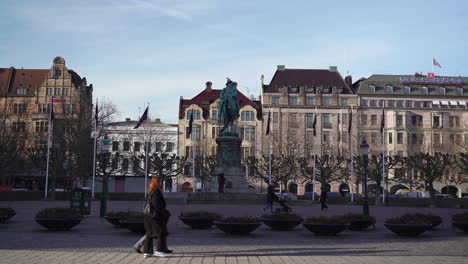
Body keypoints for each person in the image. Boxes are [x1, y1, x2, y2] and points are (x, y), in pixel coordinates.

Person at [142, 177, 172, 258]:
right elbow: (157, 206)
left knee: (149, 233)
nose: (161, 184)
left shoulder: (150, 192)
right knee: (161, 232)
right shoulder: (156, 192)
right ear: (157, 183)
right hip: (155, 216)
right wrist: (164, 213)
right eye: (160, 182)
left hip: (148, 216)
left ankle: (147, 252)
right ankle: (159, 250)